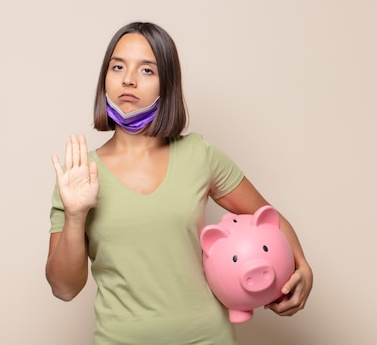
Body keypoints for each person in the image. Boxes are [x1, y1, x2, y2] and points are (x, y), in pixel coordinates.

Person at [46, 22, 313, 345]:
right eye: (118, 66)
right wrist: (75, 215)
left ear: (167, 85)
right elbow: (64, 288)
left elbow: (268, 216)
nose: (128, 79)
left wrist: (303, 267)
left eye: (147, 70)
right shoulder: (77, 175)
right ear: (105, 77)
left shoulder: (199, 154)